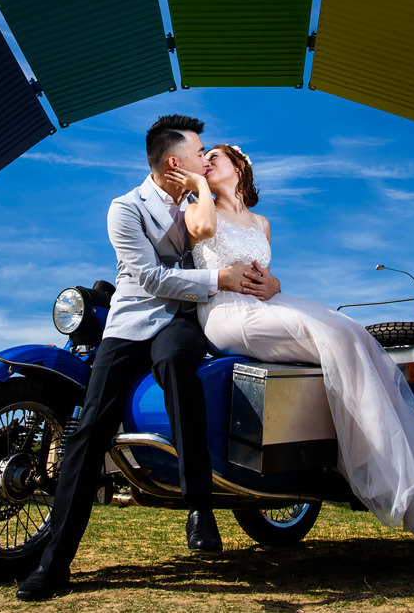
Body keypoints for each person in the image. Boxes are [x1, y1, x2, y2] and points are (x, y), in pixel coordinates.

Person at [17, 115, 280, 602]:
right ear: (174, 161)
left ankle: (199, 506)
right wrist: (218, 280)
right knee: (90, 429)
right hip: (130, 324)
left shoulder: (202, 200)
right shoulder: (125, 208)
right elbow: (148, 279)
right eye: (200, 152)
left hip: (181, 322)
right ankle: (53, 565)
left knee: (180, 367)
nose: (206, 159)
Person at [168, 143, 414, 534]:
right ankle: (374, 462)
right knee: (333, 337)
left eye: (212, 158)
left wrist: (275, 282)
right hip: (226, 312)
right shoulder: (200, 208)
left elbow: (266, 276)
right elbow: (200, 232)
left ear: (238, 167)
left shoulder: (263, 223)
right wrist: (199, 184)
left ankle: (376, 453)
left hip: (268, 305)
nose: (204, 163)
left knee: (350, 330)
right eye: (203, 161)